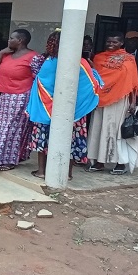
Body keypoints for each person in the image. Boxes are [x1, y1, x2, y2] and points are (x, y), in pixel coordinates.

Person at [28, 31, 102, 180]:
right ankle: (67, 174)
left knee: (43, 138)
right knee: (71, 141)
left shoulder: (50, 61)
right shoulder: (80, 62)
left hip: (46, 109)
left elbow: (41, 83)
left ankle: (42, 171)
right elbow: (94, 83)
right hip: (73, 110)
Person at [0, 29, 39, 171]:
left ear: (20, 40)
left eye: (11, 38)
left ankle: (9, 160)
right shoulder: (7, 55)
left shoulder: (33, 57)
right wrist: (1, 53)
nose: (8, 40)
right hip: (5, 96)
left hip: (21, 97)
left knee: (12, 129)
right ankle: (0, 157)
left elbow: (39, 79)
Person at [86, 32, 138, 175]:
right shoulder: (98, 58)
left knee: (116, 132)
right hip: (101, 100)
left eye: (114, 42)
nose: (110, 44)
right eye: (108, 42)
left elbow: (132, 83)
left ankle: (120, 163)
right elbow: (95, 78)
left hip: (119, 99)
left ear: (121, 43)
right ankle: (99, 162)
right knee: (99, 130)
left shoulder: (128, 60)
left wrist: (133, 103)